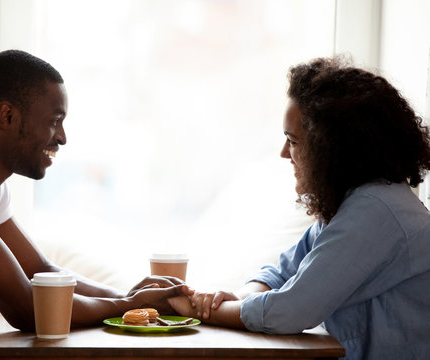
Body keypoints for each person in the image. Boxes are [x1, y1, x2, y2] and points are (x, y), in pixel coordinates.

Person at [0, 50, 184, 360]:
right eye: (54, 121)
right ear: (7, 116)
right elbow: (27, 308)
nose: (62, 137)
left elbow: (39, 270)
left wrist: (127, 296)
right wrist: (129, 307)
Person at [169, 56, 430, 359]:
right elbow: (280, 274)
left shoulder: (377, 211)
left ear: (331, 149)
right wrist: (227, 300)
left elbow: (289, 311)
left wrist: (204, 311)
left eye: (292, 141)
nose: (284, 153)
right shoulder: (352, 206)